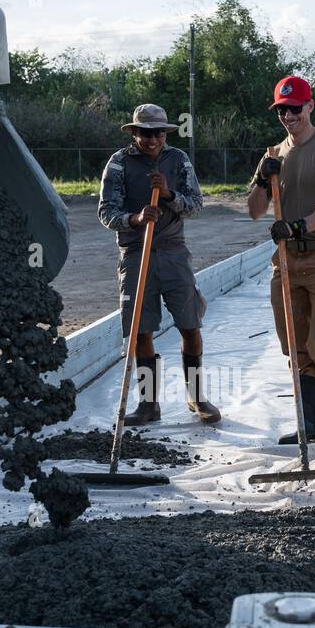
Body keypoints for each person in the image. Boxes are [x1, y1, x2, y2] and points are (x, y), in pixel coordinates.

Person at [246, 75, 315, 444]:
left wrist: (299, 226)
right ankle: (312, 426)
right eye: (282, 109)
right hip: (286, 261)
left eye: (295, 108)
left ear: (310, 105)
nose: (289, 116)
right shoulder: (273, 156)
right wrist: (263, 181)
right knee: (295, 346)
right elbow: (255, 211)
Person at [98, 103, 218, 425]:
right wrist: (135, 218)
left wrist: (167, 195)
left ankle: (196, 397)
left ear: (166, 133)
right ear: (135, 132)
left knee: (190, 324)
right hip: (136, 253)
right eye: (146, 133)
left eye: (159, 134)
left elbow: (195, 205)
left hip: (173, 251)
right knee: (141, 331)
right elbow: (106, 212)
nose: (153, 140)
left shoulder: (178, 160)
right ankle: (149, 404)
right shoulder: (119, 164)